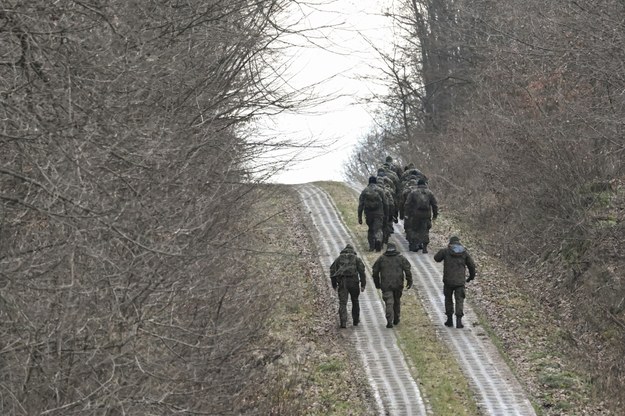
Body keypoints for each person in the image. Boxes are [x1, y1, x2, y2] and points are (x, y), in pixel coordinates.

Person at [433, 236, 476, 329]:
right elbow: (472, 266)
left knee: (448, 299)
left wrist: (444, 250)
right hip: (460, 282)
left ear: (450, 243)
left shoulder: (446, 251)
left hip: (448, 281)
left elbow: (436, 258)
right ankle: (459, 321)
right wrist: (471, 277)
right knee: (459, 300)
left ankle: (449, 320)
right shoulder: (465, 253)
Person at [372, 243, 413, 328]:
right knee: (397, 301)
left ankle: (389, 320)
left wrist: (377, 284)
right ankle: (396, 318)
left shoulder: (381, 259)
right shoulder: (401, 258)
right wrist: (409, 280)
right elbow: (407, 270)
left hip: (386, 285)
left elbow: (375, 272)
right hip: (398, 284)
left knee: (389, 302)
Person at [330, 244, 367, 328]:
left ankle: (343, 322)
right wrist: (363, 284)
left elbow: (332, 270)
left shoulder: (339, 259)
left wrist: (334, 284)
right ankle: (356, 320)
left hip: (343, 283)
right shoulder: (356, 259)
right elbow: (362, 272)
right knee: (355, 301)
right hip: (354, 282)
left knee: (343, 303)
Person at [403, 178, 438, 253]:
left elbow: (407, 204)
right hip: (426, 214)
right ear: (425, 184)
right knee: (425, 230)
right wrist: (435, 215)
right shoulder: (429, 193)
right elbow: (434, 205)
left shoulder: (413, 192)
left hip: (416, 214)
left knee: (415, 229)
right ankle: (424, 247)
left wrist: (406, 214)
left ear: (418, 185)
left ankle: (415, 245)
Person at [358, 176, 388, 251]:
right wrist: (386, 214)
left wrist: (359, 217)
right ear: (376, 182)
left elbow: (360, 205)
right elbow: (385, 203)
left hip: (368, 214)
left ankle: (371, 246)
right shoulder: (380, 190)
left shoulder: (365, 191)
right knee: (378, 229)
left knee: (371, 229)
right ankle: (378, 240)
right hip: (379, 213)